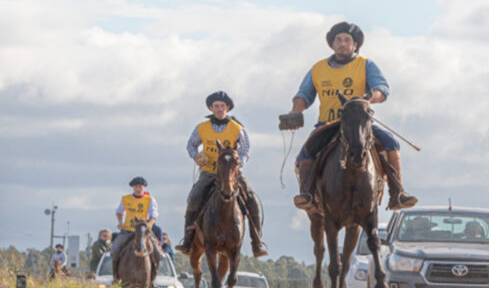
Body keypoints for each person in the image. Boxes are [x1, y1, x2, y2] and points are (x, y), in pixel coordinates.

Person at [282, 21, 417, 211]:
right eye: (338, 40)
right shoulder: (318, 69)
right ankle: (307, 194)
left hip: (360, 125)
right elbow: (304, 95)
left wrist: (370, 97)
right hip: (328, 123)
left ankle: (397, 193)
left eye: (347, 40)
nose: (342, 43)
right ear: (332, 44)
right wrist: (295, 112)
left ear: (355, 45)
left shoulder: (366, 65)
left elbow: (382, 88)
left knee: (390, 143)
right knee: (306, 152)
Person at [175, 91, 269, 257]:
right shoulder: (202, 128)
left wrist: (236, 165)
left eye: (222, 106)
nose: (219, 109)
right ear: (211, 108)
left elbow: (246, 149)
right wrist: (196, 156)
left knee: (252, 199)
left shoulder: (237, 129)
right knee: (194, 197)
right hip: (209, 173)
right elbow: (191, 144)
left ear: (228, 108)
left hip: (232, 175)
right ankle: (188, 239)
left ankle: (257, 242)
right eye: (216, 106)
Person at [110, 176, 163, 270]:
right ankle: (115, 275)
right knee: (115, 250)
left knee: (158, 254)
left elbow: (153, 215)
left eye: (140, 187)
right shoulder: (125, 198)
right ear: (133, 188)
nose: (138, 189)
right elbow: (119, 212)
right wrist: (120, 222)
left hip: (144, 231)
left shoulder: (150, 199)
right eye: (136, 187)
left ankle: (153, 276)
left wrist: (150, 224)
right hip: (128, 230)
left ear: (144, 187)